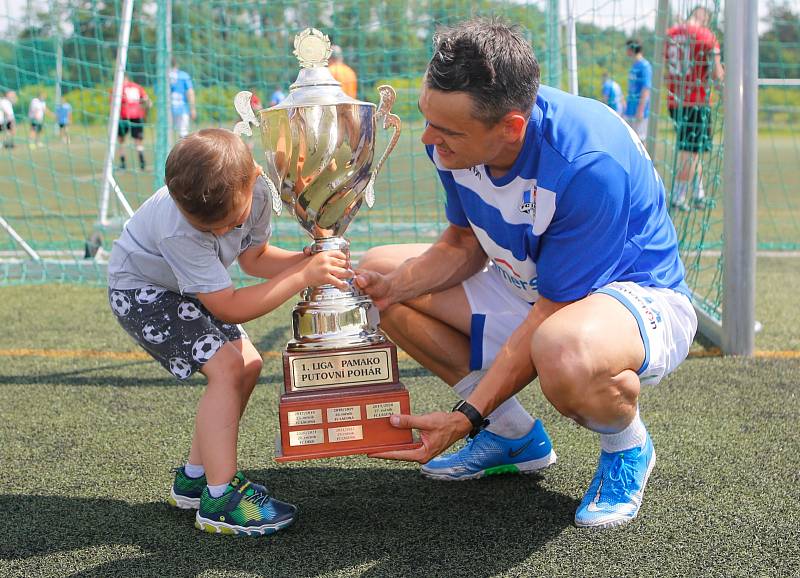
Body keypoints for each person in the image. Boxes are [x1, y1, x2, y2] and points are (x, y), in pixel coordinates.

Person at [355, 18, 697, 529]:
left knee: (563, 350)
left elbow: (551, 314)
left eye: (447, 132)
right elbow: (464, 243)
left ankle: (626, 446)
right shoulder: (450, 132)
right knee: (381, 274)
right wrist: (392, 288)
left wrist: (463, 416)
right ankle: (511, 434)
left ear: (511, 127)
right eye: (427, 118)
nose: (429, 139)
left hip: (628, 297)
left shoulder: (587, 161)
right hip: (534, 285)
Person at [107, 128, 352, 535]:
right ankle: (220, 498)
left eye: (230, 223)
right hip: (141, 293)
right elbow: (229, 304)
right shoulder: (178, 228)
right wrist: (302, 278)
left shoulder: (254, 190)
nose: (223, 234)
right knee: (224, 367)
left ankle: (195, 479)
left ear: (254, 177)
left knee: (249, 364)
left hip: (185, 286)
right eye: (212, 229)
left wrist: (302, 260)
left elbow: (253, 258)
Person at [666, 6, 725, 211]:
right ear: (704, 17)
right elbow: (717, 74)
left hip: (675, 102)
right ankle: (678, 196)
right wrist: (727, 95)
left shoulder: (671, 34)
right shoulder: (706, 36)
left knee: (693, 150)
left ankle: (698, 194)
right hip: (696, 102)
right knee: (689, 153)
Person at [116, 74, 150, 170]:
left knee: (121, 140)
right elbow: (147, 101)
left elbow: (114, 104)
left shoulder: (118, 87)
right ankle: (142, 162)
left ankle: (123, 164)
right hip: (137, 115)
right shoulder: (137, 87)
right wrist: (145, 114)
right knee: (138, 141)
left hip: (124, 115)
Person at [624, 39, 652, 142]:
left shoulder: (645, 66)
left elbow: (646, 88)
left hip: (639, 110)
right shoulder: (634, 65)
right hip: (630, 109)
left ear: (631, 49)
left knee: (640, 141)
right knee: (629, 140)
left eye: (626, 48)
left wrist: (640, 110)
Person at [169, 62, 196, 139]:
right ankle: (182, 151)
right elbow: (190, 92)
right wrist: (192, 109)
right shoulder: (183, 75)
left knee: (167, 133)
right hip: (182, 108)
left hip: (167, 110)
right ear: (176, 65)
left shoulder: (163, 76)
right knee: (183, 134)